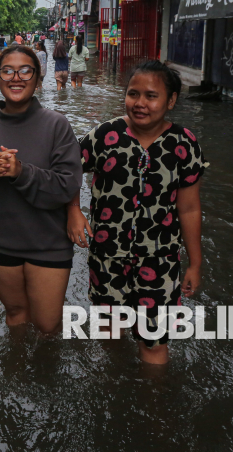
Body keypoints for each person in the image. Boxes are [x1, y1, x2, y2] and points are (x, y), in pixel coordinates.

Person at [68, 60, 207, 364]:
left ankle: (153, 391)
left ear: (171, 100)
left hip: (160, 260)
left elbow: (189, 208)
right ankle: (113, 383)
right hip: (107, 256)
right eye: (133, 94)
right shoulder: (105, 135)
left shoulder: (184, 144)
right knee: (110, 332)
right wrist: (74, 210)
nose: (140, 103)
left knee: (154, 341)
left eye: (151, 96)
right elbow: (69, 170)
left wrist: (195, 264)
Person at [0, 45, 82, 334]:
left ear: (38, 79)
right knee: (15, 315)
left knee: (48, 324)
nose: (16, 78)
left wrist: (20, 172)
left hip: (49, 242)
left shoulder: (57, 125)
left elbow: (67, 186)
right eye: (8, 71)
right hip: (0, 242)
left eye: (25, 71)